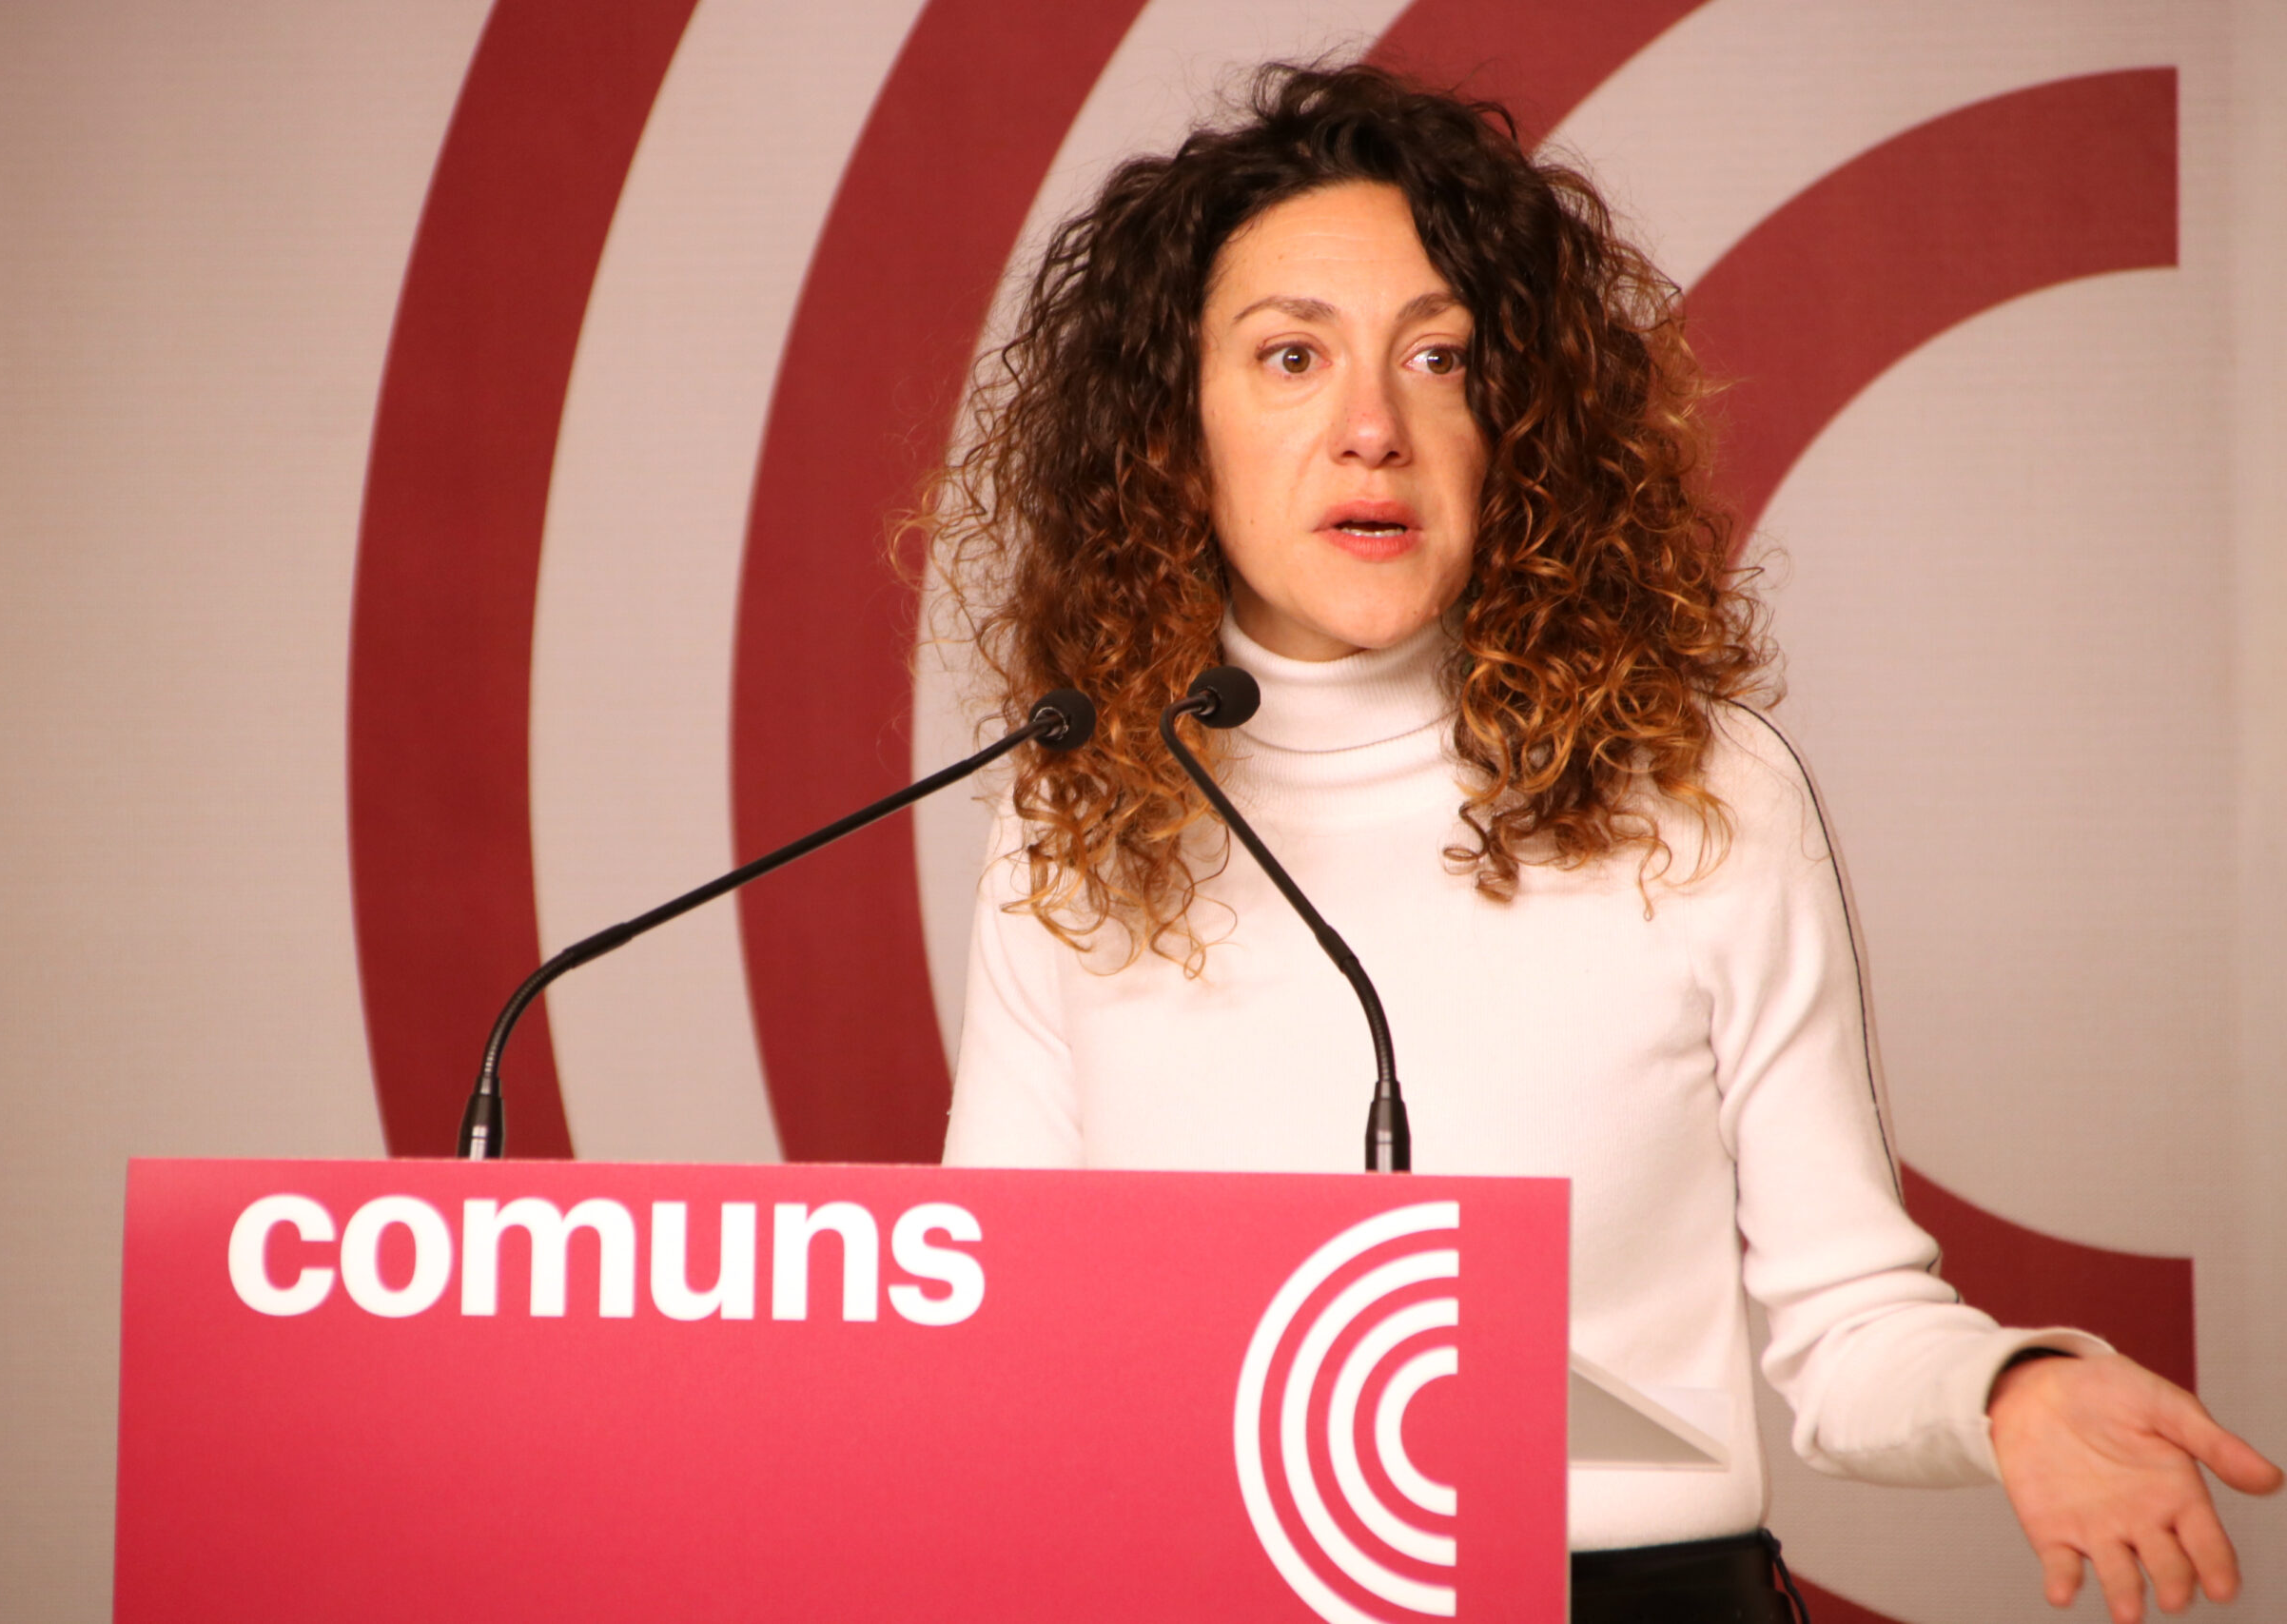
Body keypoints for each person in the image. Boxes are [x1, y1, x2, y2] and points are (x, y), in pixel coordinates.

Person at [921, 62, 2279, 1623]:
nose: (1372, 428)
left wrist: (2009, 1391)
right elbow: (1004, 1341)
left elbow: (1850, 1326)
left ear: (1516, 425)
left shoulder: (1696, 790)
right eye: (1292, 356)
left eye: (1440, 357)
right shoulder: (1079, 811)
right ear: (1172, 434)